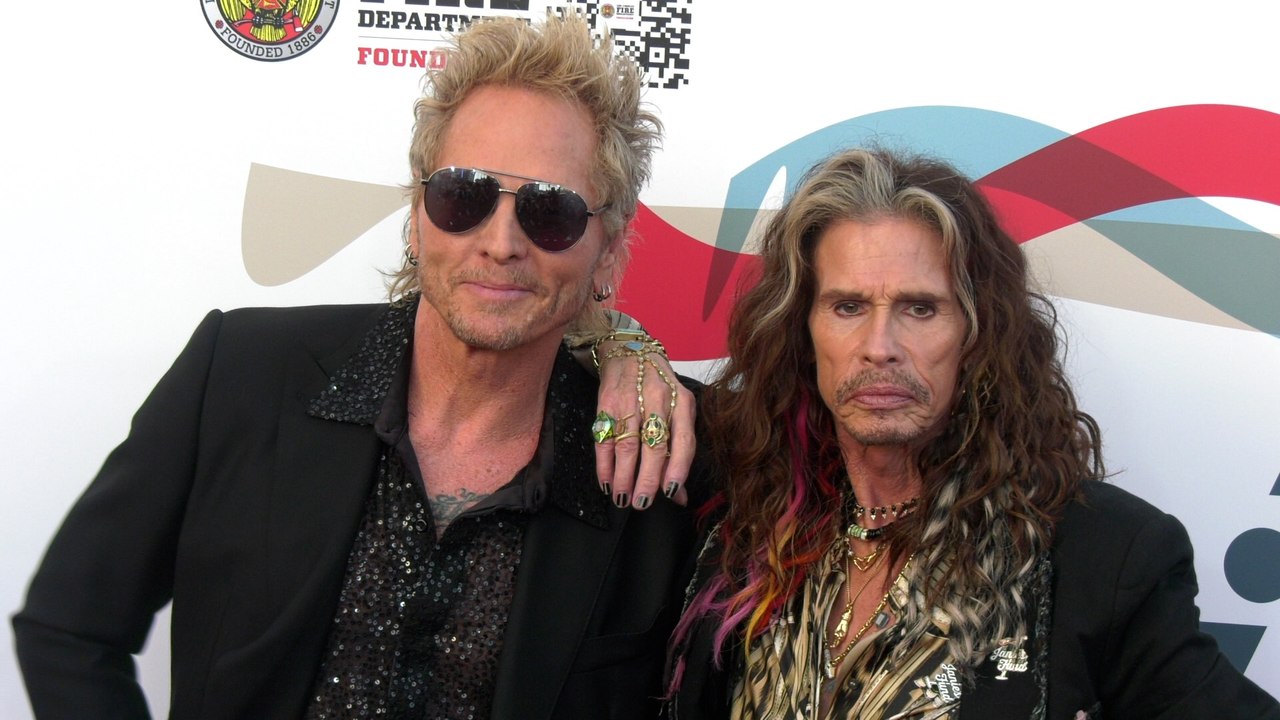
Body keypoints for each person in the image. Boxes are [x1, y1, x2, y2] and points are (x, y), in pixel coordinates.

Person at [14, 14, 699, 720]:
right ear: (416, 213)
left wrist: (631, 346)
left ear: (609, 251)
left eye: (549, 211)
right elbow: (69, 628)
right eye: (462, 195)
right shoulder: (240, 375)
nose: (500, 243)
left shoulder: (665, 463)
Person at [664, 148, 1280, 718]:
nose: (880, 348)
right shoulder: (741, 496)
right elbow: (572, 322)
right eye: (847, 306)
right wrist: (619, 345)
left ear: (978, 332)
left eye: (920, 308)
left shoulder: (1104, 556)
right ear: (803, 330)